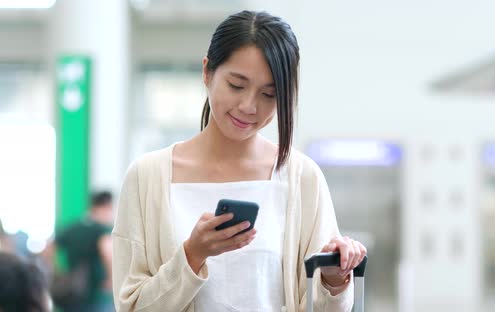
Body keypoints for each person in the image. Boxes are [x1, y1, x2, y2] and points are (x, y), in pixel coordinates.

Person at [113, 10, 367, 312]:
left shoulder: (302, 178)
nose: (249, 106)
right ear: (207, 72)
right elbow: (132, 307)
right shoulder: (147, 178)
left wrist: (335, 281)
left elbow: (324, 307)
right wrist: (192, 255)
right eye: (236, 85)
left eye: (269, 94)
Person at [53, 191, 114, 312]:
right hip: (96, 295)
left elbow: (48, 250)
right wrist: (111, 278)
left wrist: (58, 271)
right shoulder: (102, 229)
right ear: (107, 206)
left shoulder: (72, 227)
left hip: (72, 293)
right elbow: (107, 253)